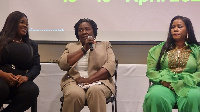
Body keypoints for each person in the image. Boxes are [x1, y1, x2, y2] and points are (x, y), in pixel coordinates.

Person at [143, 15, 200, 112]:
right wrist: (163, 81)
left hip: (188, 85)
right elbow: (151, 71)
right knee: (155, 96)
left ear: (188, 30)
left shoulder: (197, 50)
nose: (175, 29)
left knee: (195, 97)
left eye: (179, 26)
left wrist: (187, 81)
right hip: (164, 84)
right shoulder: (158, 49)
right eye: (173, 27)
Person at [58, 18, 116, 112]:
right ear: (77, 34)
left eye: (87, 29)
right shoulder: (71, 46)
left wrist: (89, 80)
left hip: (100, 82)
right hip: (75, 81)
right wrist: (84, 49)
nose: (84, 32)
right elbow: (63, 64)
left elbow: (110, 66)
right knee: (74, 94)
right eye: (80, 30)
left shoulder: (105, 45)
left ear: (93, 31)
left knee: (96, 91)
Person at [0, 11, 41, 112]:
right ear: (13, 23)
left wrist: (27, 77)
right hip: (1, 79)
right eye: (21, 22)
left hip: (20, 83)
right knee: (1, 88)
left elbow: (36, 66)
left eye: (27, 24)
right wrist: (3, 74)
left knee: (32, 89)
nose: (25, 26)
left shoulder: (32, 45)